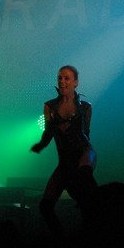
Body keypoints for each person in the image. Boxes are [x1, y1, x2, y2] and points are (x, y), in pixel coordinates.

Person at [30, 65, 97, 235]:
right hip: (65, 162)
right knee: (45, 207)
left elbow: (86, 135)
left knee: (87, 197)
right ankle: (62, 239)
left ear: (76, 82)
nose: (62, 81)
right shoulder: (50, 107)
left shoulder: (85, 107)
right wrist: (40, 145)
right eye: (60, 77)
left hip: (84, 154)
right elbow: (48, 132)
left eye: (67, 78)